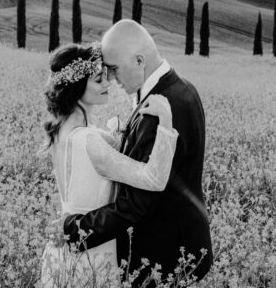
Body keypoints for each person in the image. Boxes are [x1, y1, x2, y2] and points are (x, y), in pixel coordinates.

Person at [62, 20, 213, 286]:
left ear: (140, 60)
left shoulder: (159, 111)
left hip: (164, 257)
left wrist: (74, 230)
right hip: (183, 247)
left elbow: (137, 205)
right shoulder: (182, 88)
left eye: (114, 68)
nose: (111, 78)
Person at [40, 42, 179, 287]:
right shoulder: (88, 140)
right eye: (98, 80)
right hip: (91, 255)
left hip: (64, 249)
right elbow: (154, 179)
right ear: (76, 87)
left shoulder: (61, 131)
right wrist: (166, 121)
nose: (108, 84)